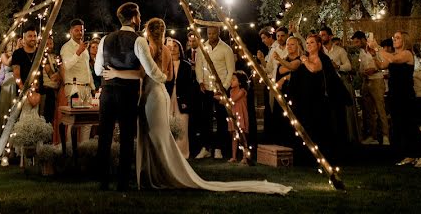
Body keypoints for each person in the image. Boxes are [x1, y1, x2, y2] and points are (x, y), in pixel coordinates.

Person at [103, 17, 291, 194]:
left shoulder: (147, 50)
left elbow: (141, 74)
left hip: (150, 96)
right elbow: (168, 78)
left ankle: (155, 175)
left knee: (153, 136)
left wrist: (116, 74)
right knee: (159, 137)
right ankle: (157, 173)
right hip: (160, 94)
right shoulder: (167, 51)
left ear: (147, 32)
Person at [94, 2, 165, 191]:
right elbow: (150, 70)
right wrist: (163, 78)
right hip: (127, 93)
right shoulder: (139, 40)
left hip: (107, 93)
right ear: (134, 18)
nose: (140, 19)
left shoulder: (105, 40)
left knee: (105, 136)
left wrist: (112, 72)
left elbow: (97, 69)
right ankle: (122, 182)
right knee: (126, 137)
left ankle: (102, 181)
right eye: (139, 15)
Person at [371, 31, 421, 167]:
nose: (394, 40)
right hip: (394, 93)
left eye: (397, 38)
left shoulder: (407, 54)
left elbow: (392, 60)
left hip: (405, 94)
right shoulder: (394, 55)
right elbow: (381, 65)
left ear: (404, 41)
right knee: (399, 125)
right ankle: (409, 154)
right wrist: (373, 55)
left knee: (409, 124)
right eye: (394, 38)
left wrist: (377, 47)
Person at [193, 26, 235, 160]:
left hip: (220, 88)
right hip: (206, 87)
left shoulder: (226, 49)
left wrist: (225, 87)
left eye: (213, 33)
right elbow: (199, 66)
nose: (211, 35)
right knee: (205, 118)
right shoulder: (202, 48)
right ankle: (206, 148)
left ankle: (219, 148)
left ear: (218, 33)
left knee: (222, 120)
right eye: (209, 33)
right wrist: (200, 81)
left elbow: (230, 70)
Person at [319, 25, 358, 145]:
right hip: (324, 85)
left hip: (339, 83)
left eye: (324, 35)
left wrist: (337, 66)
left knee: (342, 112)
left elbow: (348, 66)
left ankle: (347, 137)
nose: (321, 37)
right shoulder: (320, 52)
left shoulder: (340, 51)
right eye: (320, 35)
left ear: (330, 36)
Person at [351, 31, 389, 146]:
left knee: (380, 109)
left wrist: (375, 69)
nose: (356, 44)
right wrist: (362, 72)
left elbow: (384, 63)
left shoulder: (376, 48)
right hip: (366, 81)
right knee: (368, 110)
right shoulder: (361, 52)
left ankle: (385, 135)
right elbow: (362, 67)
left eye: (357, 42)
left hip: (377, 80)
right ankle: (373, 136)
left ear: (363, 39)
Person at [60, 19, 94, 143]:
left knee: (87, 123)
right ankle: (70, 153)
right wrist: (78, 52)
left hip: (86, 88)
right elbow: (67, 65)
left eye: (82, 30)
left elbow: (86, 68)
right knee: (73, 122)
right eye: (77, 30)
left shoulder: (84, 47)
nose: (80, 32)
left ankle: (84, 150)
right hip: (74, 88)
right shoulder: (66, 47)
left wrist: (92, 86)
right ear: (71, 31)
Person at [164, 37, 196, 158]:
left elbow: (189, 85)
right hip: (168, 95)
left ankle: (182, 154)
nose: (172, 48)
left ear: (180, 49)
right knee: (168, 122)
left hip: (182, 97)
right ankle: (169, 153)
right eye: (170, 46)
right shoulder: (165, 63)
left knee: (182, 124)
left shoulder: (186, 65)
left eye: (175, 46)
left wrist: (187, 100)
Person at [227, 71, 250, 164]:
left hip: (240, 115)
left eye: (233, 79)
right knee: (234, 136)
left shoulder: (242, 91)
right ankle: (234, 156)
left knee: (242, 135)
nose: (231, 81)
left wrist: (224, 100)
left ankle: (245, 156)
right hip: (233, 114)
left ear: (240, 82)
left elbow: (233, 100)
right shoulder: (231, 91)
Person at [10, 27, 39, 92]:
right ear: (24, 38)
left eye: (35, 36)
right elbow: (16, 73)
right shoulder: (17, 53)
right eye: (30, 36)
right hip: (23, 91)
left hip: (40, 91)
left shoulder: (40, 52)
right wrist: (23, 89)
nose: (33, 38)